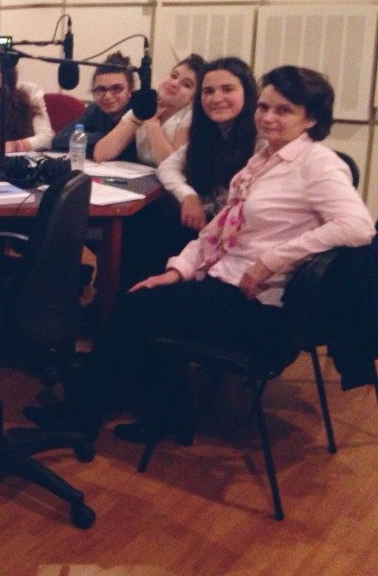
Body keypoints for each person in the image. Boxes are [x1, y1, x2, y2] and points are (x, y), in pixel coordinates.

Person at [64, 65, 376, 442]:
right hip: (227, 282)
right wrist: (179, 270)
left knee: (133, 308)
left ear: (310, 118)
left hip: (261, 308)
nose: (268, 117)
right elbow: (220, 228)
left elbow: (358, 226)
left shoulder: (318, 164)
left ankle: (83, 416)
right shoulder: (265, 160)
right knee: (142, 292)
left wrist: (270, 262)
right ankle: (156, 413)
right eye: (264, 107)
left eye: (284, 110)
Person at [156, 57, 260, 233]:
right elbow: (167, 167)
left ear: (247, 93)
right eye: (209, 91)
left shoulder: (261, 138)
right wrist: (188, 196)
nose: (216, 98)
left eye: (227, 89)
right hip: (214, 225)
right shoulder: (208, 132)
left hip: (246, 231)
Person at [93, 54, 203, 165]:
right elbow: (100, 155)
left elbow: (174, 166)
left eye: (186, 84)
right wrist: (140, 115)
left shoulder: (190, 117)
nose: (174, 83)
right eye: (174, 76)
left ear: (193, 98)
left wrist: (152, 122)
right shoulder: (146, 102)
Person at [52, 51, 135, 158]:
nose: (107, 96)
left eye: (116, 88)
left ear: (130, 90)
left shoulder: (139, 112)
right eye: (100, 89)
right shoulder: (95, 109)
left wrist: (88, 140)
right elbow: (58, 140)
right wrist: (102, 137)